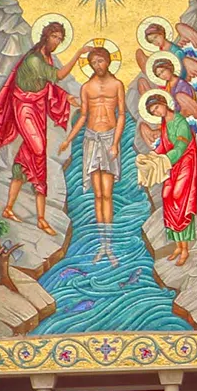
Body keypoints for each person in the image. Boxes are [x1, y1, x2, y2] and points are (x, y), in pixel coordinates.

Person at [0, 17, 76, 233]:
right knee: (38, 152)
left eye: (60, 38)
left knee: (26, 157)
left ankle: (15, 209)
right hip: (25, 108)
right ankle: (40, 219)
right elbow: (57, 76)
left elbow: (45, 87)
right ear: (45, 36)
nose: (56, 41)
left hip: (37, 109)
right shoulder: (35, 60)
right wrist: (79, 53)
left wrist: (65, 98)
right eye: (54, 37)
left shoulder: (46, 58)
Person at [58, 43, 127, 265]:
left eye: (100, 61)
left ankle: (110, 244)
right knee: (97, 195)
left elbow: (123, 114)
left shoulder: (117, 84)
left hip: (108, 140)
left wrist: (116, 143)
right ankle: (102, 245)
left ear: (107, 61)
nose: (97, 65)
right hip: (90, 139)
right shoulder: (86, 87)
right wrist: (69, 139)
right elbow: (83, 115)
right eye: (93, 62)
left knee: (107, 194)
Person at [141, 91, 197, 266]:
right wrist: (152, 156)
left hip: (185, 163)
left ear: (164, 103)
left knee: (179, 197)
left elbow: (181, 145)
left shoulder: (180, 121)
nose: (157, 112)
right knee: (167, 197)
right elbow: (164, 145)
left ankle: (185, 249)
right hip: (171, 166)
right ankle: (178, 244)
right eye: (153, 111)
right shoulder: (164, 123)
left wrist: (166, 159)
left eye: (157, 107)